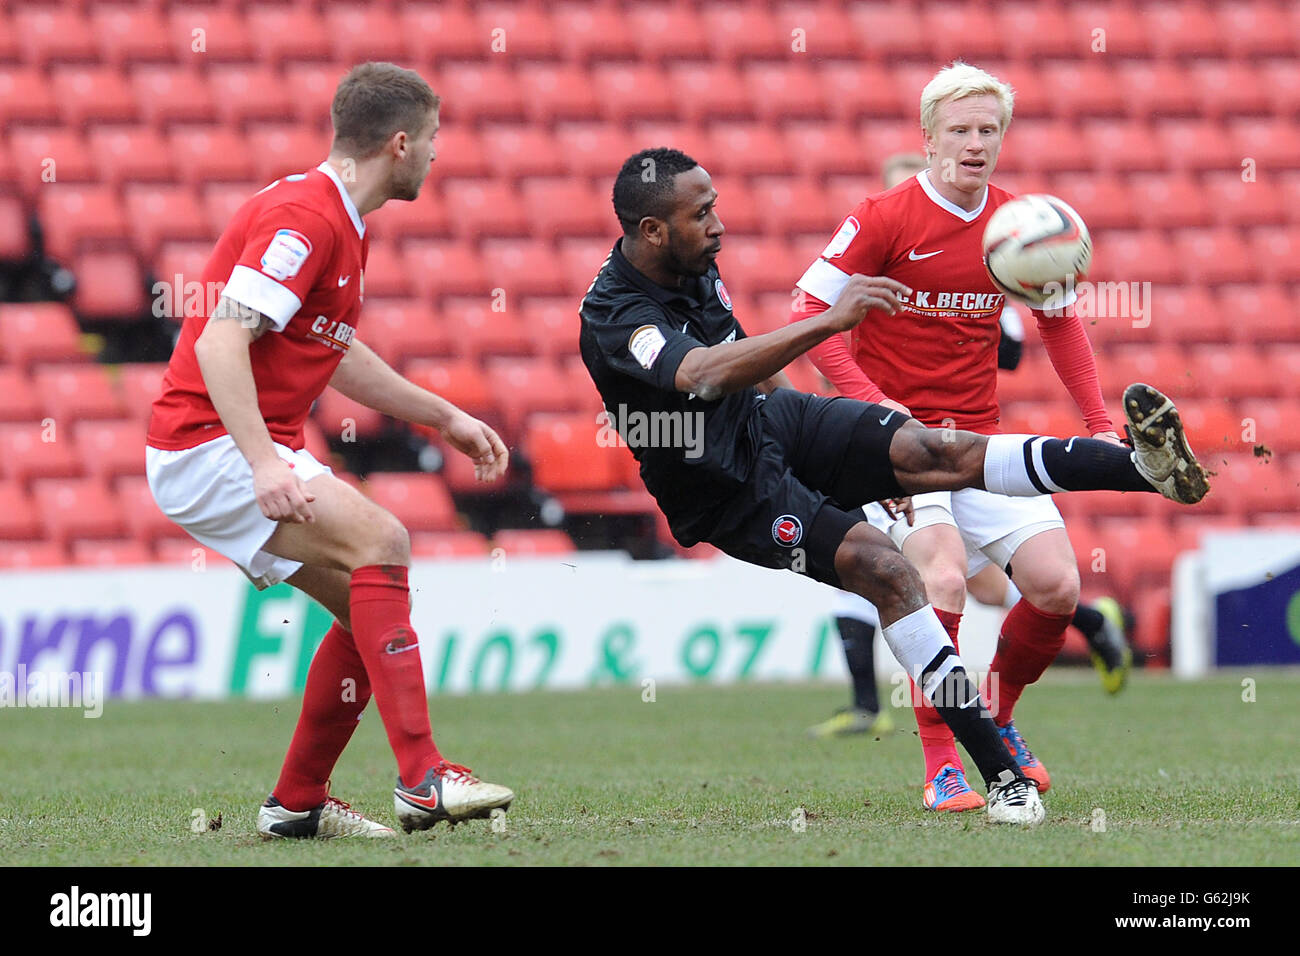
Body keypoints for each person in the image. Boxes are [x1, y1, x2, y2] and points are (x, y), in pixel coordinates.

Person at [578, 146, 1207, 825]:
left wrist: (831, 454)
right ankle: (999, 775)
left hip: (773, 422)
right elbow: (701, 371)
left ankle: (1141, 469)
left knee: (933, 448)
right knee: (887, 572)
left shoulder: (693, 261)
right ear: (652, 230)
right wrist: (827, 322)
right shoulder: (614, 313)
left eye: (717, 207)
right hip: (726, 489)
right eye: (702, 215)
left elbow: (744, 356)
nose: (718, 225)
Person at [146, 63, 515, 839]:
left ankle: (297, 803)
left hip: (226, 445)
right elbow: (222, 342)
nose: (438, 157)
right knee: (386, 540)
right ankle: (423, 780)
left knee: (363, 602)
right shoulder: (306, 219)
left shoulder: (339, 219)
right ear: (402, 142)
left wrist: (442, 418)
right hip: (206, 444)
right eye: (435, 141)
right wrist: (262, 463)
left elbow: (335, 353)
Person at [790, 62, 1140, 813]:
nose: (974, 144)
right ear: (929, 138)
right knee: (942, 580)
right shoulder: (884, 216)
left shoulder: (1022, 227)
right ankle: (942, 762)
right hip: (894, 453)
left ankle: (998, 718)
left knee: (1057, 587)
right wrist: (876, 412)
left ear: (1003, 138)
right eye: (960, 130)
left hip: (978, 445)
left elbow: (1061, 326)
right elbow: (809, 316)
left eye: (988, 130)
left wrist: (1101, 427)